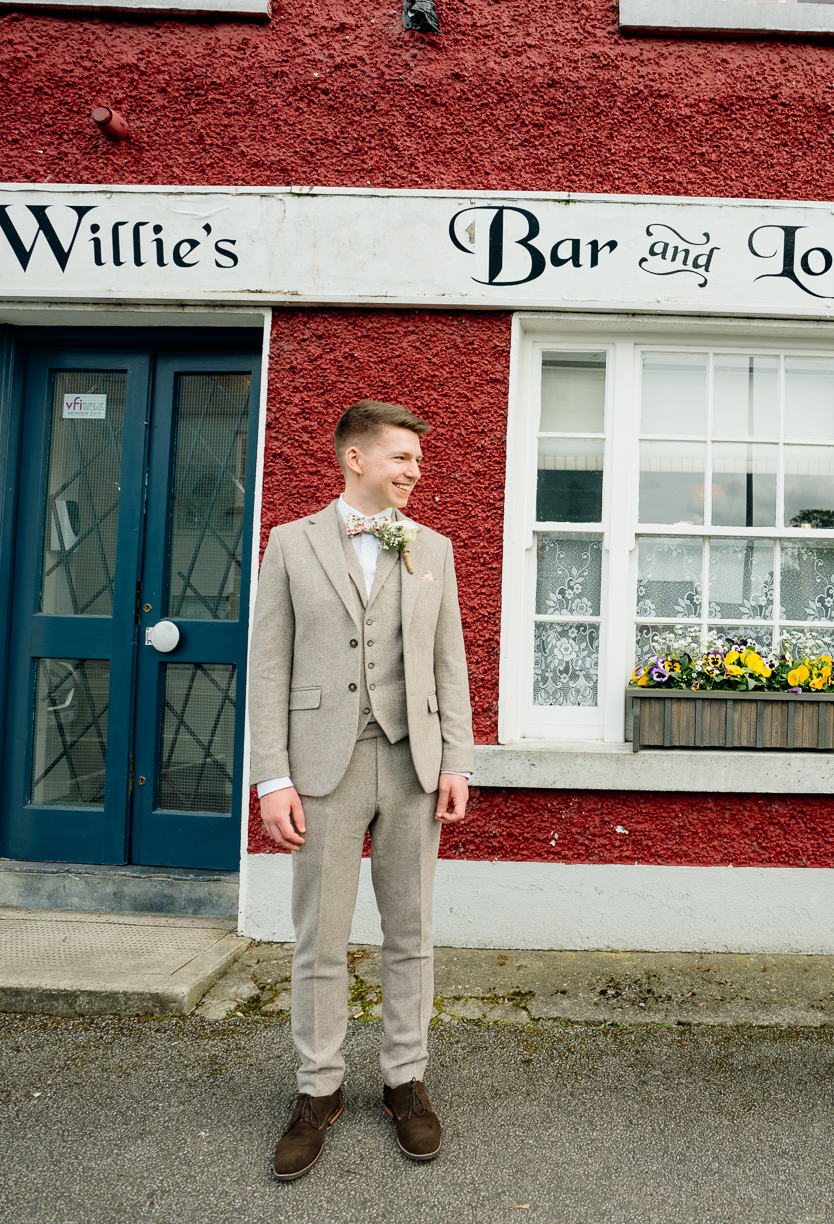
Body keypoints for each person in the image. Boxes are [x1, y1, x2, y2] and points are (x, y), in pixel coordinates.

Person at [249, 400, 474, 1182]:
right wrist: (271, 777)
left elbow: (451, 661)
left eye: (418, 459)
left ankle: (404, 1081)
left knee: (410, 930)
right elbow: (270, 664)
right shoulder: (290, 542)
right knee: (321, 937)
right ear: (355, 459)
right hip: (321, 766)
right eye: (402, 458)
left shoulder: (433, 549)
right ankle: (317, 1092)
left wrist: (458, 761)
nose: (416, 471)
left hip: (413, 762)